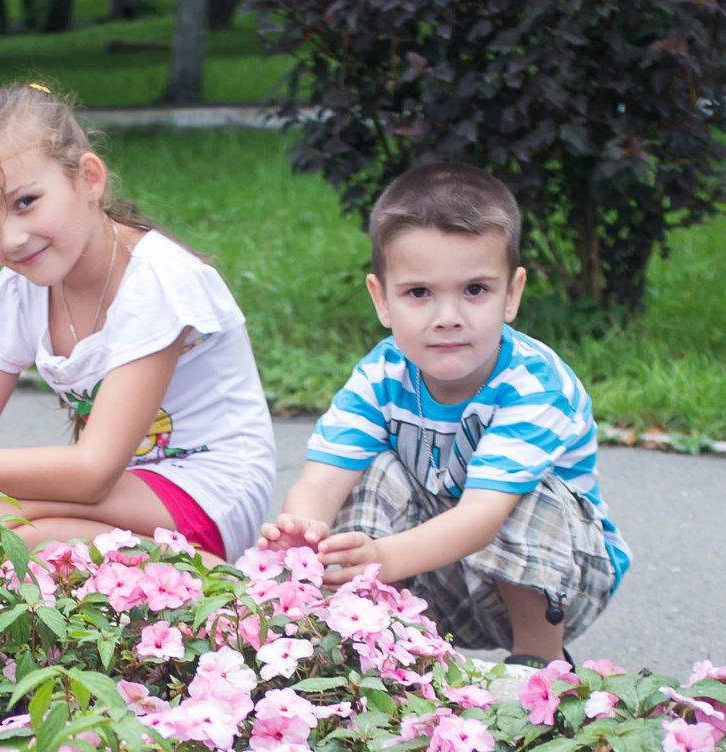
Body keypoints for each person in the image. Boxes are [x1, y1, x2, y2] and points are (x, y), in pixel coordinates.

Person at [0, 82, 276, 562]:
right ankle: (146, 569)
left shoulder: (157, 280)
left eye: (25, 202)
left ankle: (215, 580)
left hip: (209, 496)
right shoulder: (22, 286)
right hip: (125, 487)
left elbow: (92, 471)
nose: (12, 239)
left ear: (89, 178)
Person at [259, 162, 630, 667]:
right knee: (368, 473)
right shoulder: (381, 375)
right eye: (419, 293)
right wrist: (305, 531)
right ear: (382, 300)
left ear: (512, 294)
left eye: (475, 289)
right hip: (428, 575)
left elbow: (480, 518)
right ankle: (380, 646)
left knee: (525, 492)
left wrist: (382, 558)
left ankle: (539, 667)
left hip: (558, 579)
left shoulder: (535, 384)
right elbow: (321, 483)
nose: (448, 316)